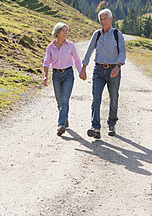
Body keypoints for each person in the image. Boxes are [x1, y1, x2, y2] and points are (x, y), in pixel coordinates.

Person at [79, 9, 126, 139]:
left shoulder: (117, 34)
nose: (103, 21)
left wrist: (118, 66)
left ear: (111, 19)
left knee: (113, 98)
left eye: (105, 18)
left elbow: (122, 52)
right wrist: (83, 68)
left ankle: (112, 124)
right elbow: (89, 50)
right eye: (101, 19)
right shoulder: (97, 34)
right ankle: (95, 127)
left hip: (113, 70)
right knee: (96, 98)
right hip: (98, 70)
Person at [43, 22, 82, 136]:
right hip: (56, 75)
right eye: (63, 31)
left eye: (67, 31)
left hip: (68, 74)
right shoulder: (50, 47)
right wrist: (45, 76)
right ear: (57, 33)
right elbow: (46, 62)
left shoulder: (70, 45)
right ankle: (65, 119)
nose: (66, 33)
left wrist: (81, 72)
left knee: (65, 100)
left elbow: (77, 60)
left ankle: (60, 125)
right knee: (59, 101)